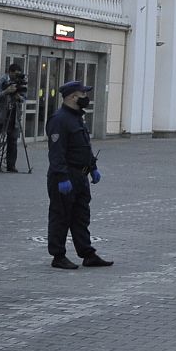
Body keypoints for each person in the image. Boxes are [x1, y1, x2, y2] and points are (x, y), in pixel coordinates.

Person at [45, 80, 111, 271]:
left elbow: (83, 147)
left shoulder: (76, 117)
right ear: (73, 97)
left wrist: (92, 167)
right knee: (61, 216)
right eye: (83, 94)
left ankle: (87, 254)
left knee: (81, 216)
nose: (86, 98)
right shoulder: (59, 119)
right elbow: (56, 152)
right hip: (65, 176)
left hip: (80, 176)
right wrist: (62, 177)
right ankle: (58, 256)